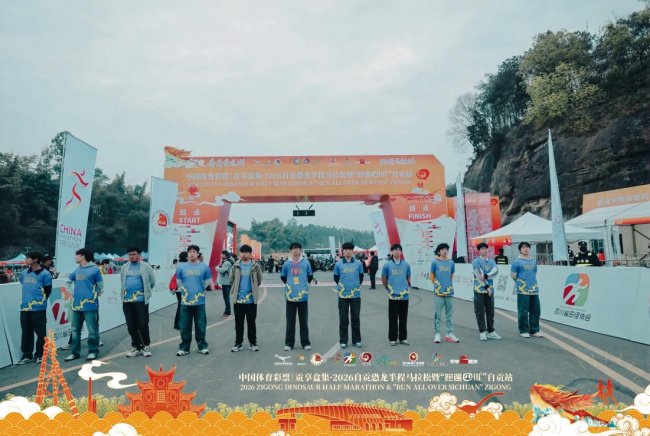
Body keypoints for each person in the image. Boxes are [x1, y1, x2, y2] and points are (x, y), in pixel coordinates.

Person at [65, 248, 104, 361]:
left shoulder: (95, 269)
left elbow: (100, 286)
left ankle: (93, 351)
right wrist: (73, 293)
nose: (75, 257)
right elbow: (68, 281)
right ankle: (75, 353)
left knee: (92, 330)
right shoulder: (77, 270)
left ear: (82, 256)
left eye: (77, 255)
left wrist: (93, 295)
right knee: (75, 330)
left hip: (90, 306)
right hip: (77, 305)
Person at [176, 245, 213, 356]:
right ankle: (184, 347)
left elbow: (208, 281)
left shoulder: (204, 267)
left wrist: (199, 290)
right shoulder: (181, 267)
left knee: (200, 325)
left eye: (194, 252)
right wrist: (186, 292)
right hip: (185, 301)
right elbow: (179, 281)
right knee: (184, 325)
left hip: (199, 301)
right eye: (190, 252)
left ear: (198, 254)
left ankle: (202, 346)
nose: (192, 253)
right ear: (187, 254)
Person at [17, 252, 52, 365]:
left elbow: (48, 291)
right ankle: (27, 355)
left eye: (28, 258)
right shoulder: (24, 273)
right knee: (26, 332)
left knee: (41, 333)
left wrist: (39, 301)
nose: (26, 259)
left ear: (35, 259)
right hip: (25, 308)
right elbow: (23, 284)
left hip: (38, 309)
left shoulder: (45, 274)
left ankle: (40, 354)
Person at [120, 247, 156, 358]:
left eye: (134, 254)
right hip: (127, 301)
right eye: (130, 254)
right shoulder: (124, 267)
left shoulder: (146, 266)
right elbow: (122, 280)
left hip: (141, 301)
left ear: (139, 255)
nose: (132, 256)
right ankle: (136, 346)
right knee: (131, 325)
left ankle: (146, 346)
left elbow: (152, 281)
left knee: (142, 323)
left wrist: (146, 292)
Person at [229, 244, 263, 352]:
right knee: (238, 324)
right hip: (238, 300)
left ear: (250, 254)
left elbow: (259, 280)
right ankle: (238, 343)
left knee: (251, 323)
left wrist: (253, 289)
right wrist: (235, 290)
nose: (244, 254)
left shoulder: (255, 266)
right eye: (242, 252)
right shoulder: (235, 266)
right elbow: (231, 280)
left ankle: (253, 343)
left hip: (251, 300)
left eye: (246, 252)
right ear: (240, 253)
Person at [281, 242, 313, 351]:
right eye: (293, 249)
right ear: (291, 250)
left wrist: (302, 286)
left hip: (303, 296)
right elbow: (283, 277)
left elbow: (310, 276)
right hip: (290, 296)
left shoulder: (306, 263)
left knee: (304, 321)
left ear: (300, 250)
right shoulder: (287, 264)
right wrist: (291, 286)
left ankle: (305, 343)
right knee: (290, 322)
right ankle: (289, 343)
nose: (295, 250)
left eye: (297, 248)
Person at [333, 242, 364, 348]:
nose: (348, 252)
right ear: (343, 251)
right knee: (343, 319)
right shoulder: (338, 264)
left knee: (355, 318)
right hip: (343, 295)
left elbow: (361, 277)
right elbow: (336, 278)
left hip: (355, 295)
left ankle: (356, 340)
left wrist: (355, 286)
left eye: (350, 250)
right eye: (346, 250)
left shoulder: (358, 263)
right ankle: (343, 341)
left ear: (352, 251)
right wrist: (344, 287)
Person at [511, 242, 543, 338]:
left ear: (530, 249)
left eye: (527, 247)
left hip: (534, 289)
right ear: (520, 250)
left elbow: (534, 272)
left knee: (535, 310)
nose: (526, 249)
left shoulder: (533, 261)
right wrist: (521, 283)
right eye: (523, 247)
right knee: (523, 311)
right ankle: (523, 330)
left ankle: (534, 330)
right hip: (523, 290)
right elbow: (513, 275)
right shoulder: (517, 262)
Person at [381, 244, 411, 345]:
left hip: (404, 296)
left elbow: (408, 277)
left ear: (401, 252)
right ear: (392, 252)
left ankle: (403, 338)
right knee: (393, 318)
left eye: (399, 250)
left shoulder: (406, 265)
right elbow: (384, 278)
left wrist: (403, 287)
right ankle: (392, 339)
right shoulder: (387, 265)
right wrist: (389, 289)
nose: (397, 252)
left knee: (403, 318)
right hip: (393, 296)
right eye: (395, 250)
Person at [472, 243, 502, 341]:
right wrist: (487, 286)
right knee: (480, 311)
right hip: (479, 290)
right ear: (479, 251)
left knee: (490, 311)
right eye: (482, 249)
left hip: (490, 290)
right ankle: (482, 331)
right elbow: (479, 275)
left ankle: (491, 331)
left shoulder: (492, 261)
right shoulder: (476, 261)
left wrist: (486, 275)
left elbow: (495, 272)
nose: (485, 250)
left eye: (486, 248)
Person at [430, 243, 459, 343]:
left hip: (449, 292)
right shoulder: (434, 262)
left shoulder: (451, 262)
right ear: (439, 251)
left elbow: (452, 274)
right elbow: (432, 276)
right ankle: (437, 333)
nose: (444, 251)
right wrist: (436, 285)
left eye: (446, 249)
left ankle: (449, 333)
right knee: (438, 314)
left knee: (449, 314)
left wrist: (448, 285)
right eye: (442, 249)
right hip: (439, 293)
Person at [169, 252, 188, 330]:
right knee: (182, 306)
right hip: (182, 289)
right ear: (186, 257)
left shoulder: (179, 264)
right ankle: (179, 324)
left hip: (179, 289)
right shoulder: (184, 266)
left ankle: (178, 323)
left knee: (181, 306)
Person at [217, 250, 234, 318]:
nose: (221, 255)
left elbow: (222, 270)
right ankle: (227, 311)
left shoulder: (227, 262)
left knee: (226, 297)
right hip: (227, 281)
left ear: (224, 255)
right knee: (226, 297)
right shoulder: (229, 260)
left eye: (221, 254)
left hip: (226, 282)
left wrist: (217, 268)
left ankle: (227, 311)